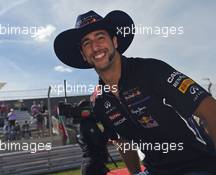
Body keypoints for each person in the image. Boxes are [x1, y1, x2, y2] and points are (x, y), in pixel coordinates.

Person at [54, 10, 216, 175]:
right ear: (83, 55)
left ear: (115, 42)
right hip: (154, 171)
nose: (95, 47)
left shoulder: (152, 70)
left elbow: (211, 110)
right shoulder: (99, 101)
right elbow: (122, 142)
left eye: (100, 37)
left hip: (199, 165)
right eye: (87, 43)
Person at [76, 100, 110, 175]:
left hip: (90, 162)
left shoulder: (81, 124)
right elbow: (99, 141)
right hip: (93, 164)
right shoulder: (88, 123)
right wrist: (107, 132)